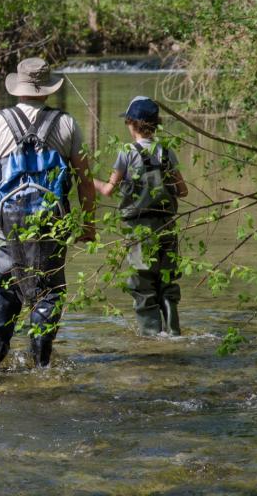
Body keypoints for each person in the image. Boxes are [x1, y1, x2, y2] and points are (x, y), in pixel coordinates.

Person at [0, 57, 95, 370]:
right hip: (52, 219)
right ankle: (41, 360)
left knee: (5, 284)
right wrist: (88, 225)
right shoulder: (66, 123)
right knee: (49, 289)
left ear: (18, 88)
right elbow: (85, 182)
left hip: (5, 220)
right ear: (47, 90)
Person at [94, 96, 188, 336]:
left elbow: (107, 190)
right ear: (156, 125)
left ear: (132, 124)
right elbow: (182, 190)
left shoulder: (126, 152)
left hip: (138, 230)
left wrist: (85, 179)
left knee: (143, 284)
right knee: (167, 281)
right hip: (167, 225)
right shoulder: (167, 152)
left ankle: (153, 338)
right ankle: (174, 333)